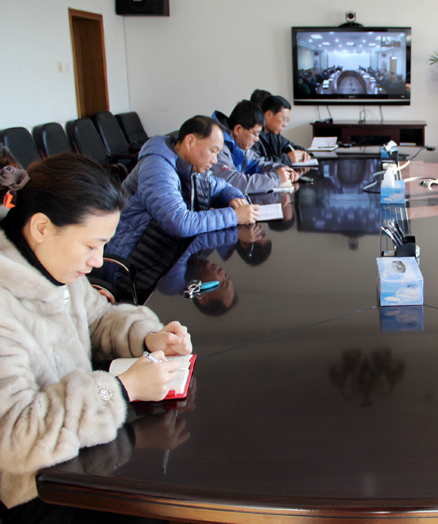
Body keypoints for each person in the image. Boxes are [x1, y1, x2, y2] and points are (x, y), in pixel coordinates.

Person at [0, 154, 192, 523]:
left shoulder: (51, 263)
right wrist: (119, 390)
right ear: (41, 227)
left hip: (81, 450)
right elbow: (18, 436)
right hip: (37, 490)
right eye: (91, 246)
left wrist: (148, 337)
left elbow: (97, 317)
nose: (98, 261)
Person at [106, 116, 259, 263]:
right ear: (190, 141)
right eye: (213, 151)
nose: (215, 160)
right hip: (134, 261)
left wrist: (235, 198)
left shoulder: (192, 165)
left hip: (167, 253)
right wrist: (234, 216)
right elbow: (180, 223)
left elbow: (221, 187)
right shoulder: (157, 168)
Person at [210, 100, 295, 192]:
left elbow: (258, 164)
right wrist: (276, 178)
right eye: (254, 134)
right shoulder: (217, 146)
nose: (256, 139)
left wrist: (282, 169)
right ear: (238, 129)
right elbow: (234, 183)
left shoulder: (240, 145)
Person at [252, 95, 310, 166]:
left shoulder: (274, 135)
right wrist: (287, 159)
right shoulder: (253, 135)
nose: (285, 125)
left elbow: (289, 146)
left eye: (287, 121)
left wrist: (303, 153)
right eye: (284, 119)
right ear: (269, 114)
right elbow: (258, 164)